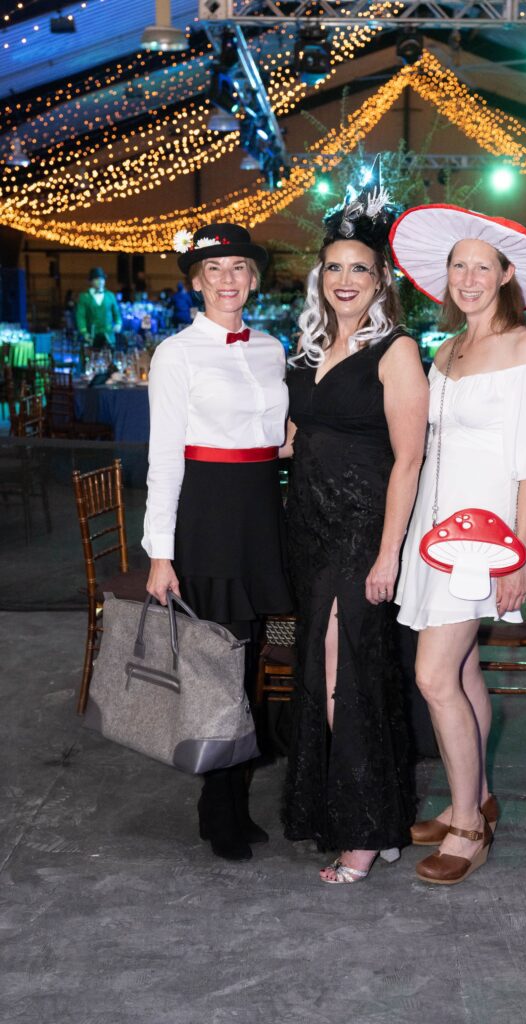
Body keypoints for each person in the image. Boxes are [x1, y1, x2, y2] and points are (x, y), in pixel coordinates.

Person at [390, 205, 526, 885]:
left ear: (503, 276)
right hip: (431, 539)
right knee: (460, 672)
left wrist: (516, 557)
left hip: (483, 546)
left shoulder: (524, 348)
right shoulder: (443, 350)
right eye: (457, 265)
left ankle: (470, 826)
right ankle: (475, 795)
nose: (467, 277)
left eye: (480, 267)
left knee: (433, 676)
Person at [280, 181, 429, 884]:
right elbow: (287, 439)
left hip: (362, 528)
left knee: (347, 675)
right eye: (334, 268)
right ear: (321, 278)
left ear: (381, 280)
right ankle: (379, 817)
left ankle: (364, 835)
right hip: (306, 528)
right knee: (325, 669)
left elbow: (409, 459)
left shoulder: (395, 350)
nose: (345, 280)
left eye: (358, 269)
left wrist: (388, 552)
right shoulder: (308, 346)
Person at [143, 222, 291, 861]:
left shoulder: (273, 349)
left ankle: (228, 801)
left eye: (238, 268)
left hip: (262, 513)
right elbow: (164, 458)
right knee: (216, 666)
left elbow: (273, 436)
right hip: (207, 515)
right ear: (196, 282)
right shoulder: (177, 353)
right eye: (215, 270)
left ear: (253, 279)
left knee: (252, 659)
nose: (227, 280)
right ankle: (219, 805)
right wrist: (159, 552)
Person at [75, 267, 122, 349]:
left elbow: (116, 312)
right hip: (92, 334)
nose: (100, 282)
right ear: (91, 281)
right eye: (97, 279)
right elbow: (81, 316)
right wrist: (84, 332)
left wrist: (118, 323)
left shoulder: (110, 295)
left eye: (102, 279)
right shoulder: (85, 297)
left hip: (108, 334)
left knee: (110, 356)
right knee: (93, 357)